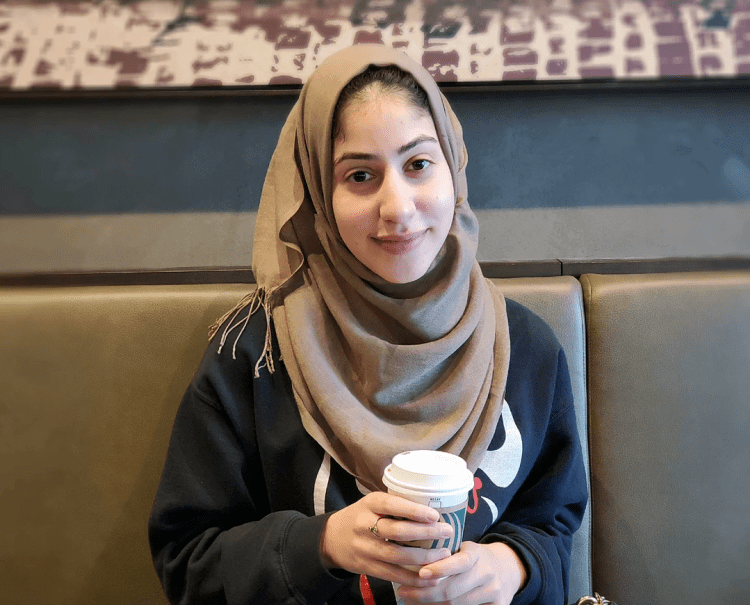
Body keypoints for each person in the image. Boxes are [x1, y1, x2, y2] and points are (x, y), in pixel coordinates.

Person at [148, 44, 588, 605]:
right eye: (360, 175)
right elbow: (186, 561)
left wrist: (511, 567)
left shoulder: (525, 351)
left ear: (453, 167)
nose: (397, 207)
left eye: (419, 165)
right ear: (318, 193)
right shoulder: (256, 353)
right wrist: (323, 545)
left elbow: (552, 522)